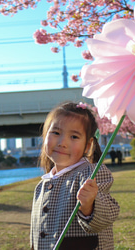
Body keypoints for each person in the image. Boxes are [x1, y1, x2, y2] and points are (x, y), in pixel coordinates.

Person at [30, 102, 120, 250]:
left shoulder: (91, 173)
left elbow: (108, 215)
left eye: (74, 136)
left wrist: (89, 204)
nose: (62, 143)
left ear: (88, 145)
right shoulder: (42, 185)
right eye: (56, 133)